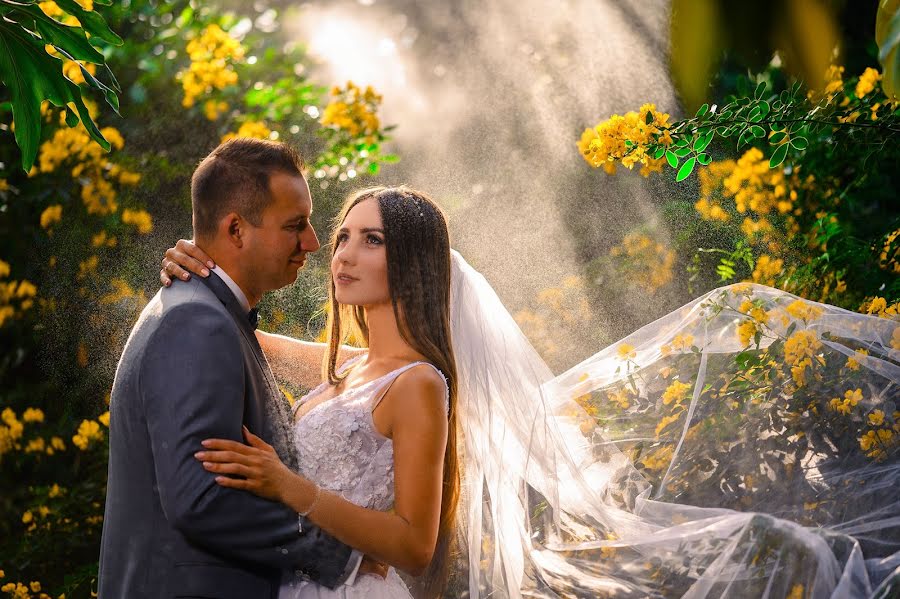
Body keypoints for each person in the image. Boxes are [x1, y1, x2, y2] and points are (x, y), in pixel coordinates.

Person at [160, 188, 900, 598]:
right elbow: (243, 330)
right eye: (344, 234)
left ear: (412, 262)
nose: (344, 252)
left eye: (372, 239)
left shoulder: (418, 383)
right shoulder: (348, 373)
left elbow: (417, 545)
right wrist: (198, 268)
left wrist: (292, 488)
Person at [99, 138, 368, 598]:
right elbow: (203, 501)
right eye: (295, 225)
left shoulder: (205, 312)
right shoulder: (197, 322)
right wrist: (339, 554)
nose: (313, 243)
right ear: (236, 230)